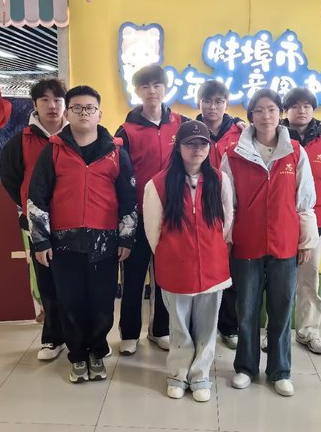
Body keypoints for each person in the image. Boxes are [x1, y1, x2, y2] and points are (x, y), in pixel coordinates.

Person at [27, 85, 137, 383]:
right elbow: (37, 197)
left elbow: (129, 199)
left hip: (105, 242)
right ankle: (77, 355)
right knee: (70, 301)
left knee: (102, 302)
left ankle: (97, 351)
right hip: (64, 243)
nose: (84, 113)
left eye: (90, 108)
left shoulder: (116, 152)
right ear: (68, 113)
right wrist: (40, 240)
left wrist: (126, 238)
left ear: (99, 113)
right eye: (76, 108)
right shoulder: (53, 150)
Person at [221, 88, 318, 397]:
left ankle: (280, 370)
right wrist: (226, 240)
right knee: (247, 309)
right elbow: (227, 204)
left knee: (281, 309)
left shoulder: (295, 152)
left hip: (284, 243)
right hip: (247, 243)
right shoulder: (233, 154)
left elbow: (305, 200)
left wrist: (306, 241)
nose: (266, 116)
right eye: (259, 110)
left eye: (272, 109)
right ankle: (245, 367)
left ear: (281, 113)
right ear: (251, 115)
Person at [143, 120, 234, 402]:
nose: (197, 149)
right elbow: (153, 231)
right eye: (190, 144)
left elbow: (226, 222)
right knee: (179, 327)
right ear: (178, 147)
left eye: (202, 143)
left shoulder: (220, 180)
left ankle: (200, 375)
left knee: (207, 326)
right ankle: (178, 374)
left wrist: (208, 248)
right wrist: (173, 254)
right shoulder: (158, 184)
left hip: (213, 267)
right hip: (175, 268)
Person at [115, 64, 188, 355]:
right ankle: (130, 332)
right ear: (137, 91)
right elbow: (120, 175)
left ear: (165, 88)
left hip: (171, 215)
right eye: (145, 86)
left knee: (165, 277)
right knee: (133, 277)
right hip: (137, 216)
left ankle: (160, 330)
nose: (152, 91)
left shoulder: (181, 124)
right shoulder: (127, 130)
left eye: (157, 85)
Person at [0, 78, 67, 361]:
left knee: (75, 284)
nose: (52, 106)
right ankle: (53, 339)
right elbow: (11, 179)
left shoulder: (78, 136)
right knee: (47, 283)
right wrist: (32, 206)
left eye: (57, 100)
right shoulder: (21, 141)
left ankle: (79, 337)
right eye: (45, 100)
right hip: (39, 227)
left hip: (73, 223)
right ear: (35, 105)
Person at [283, 87, 321, 355]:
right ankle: (276, 333)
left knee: (308, 280)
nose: (301, 110)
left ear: (313, 110)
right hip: (281, 224)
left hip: (315, 224)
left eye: (307, 106)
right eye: (295, 106)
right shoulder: (275, 139)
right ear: (286, 110)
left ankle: (308, 331)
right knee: (278, 281)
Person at [195, 80, 242, 350]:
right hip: (198, 209)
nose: (212, 107)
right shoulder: (190, 130)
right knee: (201, 268)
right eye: (207, 101)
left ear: (226, 104)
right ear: (199, 103)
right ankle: (200, 327)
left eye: (218, 102)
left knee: (229, 270)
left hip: (233, 209)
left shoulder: (240, 132)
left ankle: (229, 326)